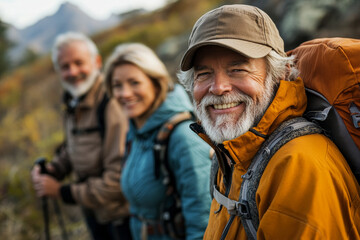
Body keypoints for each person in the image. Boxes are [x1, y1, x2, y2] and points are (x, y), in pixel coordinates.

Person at [177, 4, 360, 240]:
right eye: (203, 74)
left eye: (238, 69)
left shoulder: (299, 166)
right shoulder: (233, 150)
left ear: (281, 73)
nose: (218, 87)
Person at [104, 42, 212, 240]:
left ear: (156, 82)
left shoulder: (183, 137)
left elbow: (202, 221)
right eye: (117, 85)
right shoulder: (135, 131)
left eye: (134, 83)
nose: (125, 93)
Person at [31, 32, 132, 240]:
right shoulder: (73, 100)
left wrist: (61, 191)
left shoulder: (111, 102)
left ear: (97, 62)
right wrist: (54, 169)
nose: (73, 72)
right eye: (64, 67)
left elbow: (118, 180)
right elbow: (77, 146)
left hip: (122, 218)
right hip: (95, 214)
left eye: (79, 63)